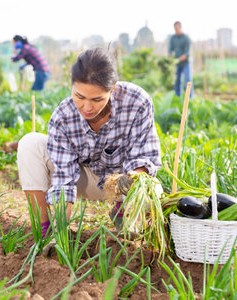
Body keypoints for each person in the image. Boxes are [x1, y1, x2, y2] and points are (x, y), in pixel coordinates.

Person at [17, 48, 162, 241]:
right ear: (72, 85)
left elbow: (144, 158)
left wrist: (130, 183)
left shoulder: (137, 101)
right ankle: (46, 231)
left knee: (153, 192)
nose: (87, 107)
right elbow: (64, 181)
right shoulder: (63, 117)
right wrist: (60, 234)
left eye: (97, 99)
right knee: (30, 143)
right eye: (79, 96)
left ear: (113, 90)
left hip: (124, 180)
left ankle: (122, 212)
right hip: (85, 181)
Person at [168, 21, 193, 98]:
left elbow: (187, 53)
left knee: (188, 81)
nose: (176, 30)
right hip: (177, 64)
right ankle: (178, 98)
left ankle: (190, 98)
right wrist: (169, 59)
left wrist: (179, 59)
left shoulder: (186, 38)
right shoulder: (173, 38)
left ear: (180, 27)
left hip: (185, 63)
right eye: (174, 29)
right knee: (177, 81)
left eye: (177, 28)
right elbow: (170, 50)